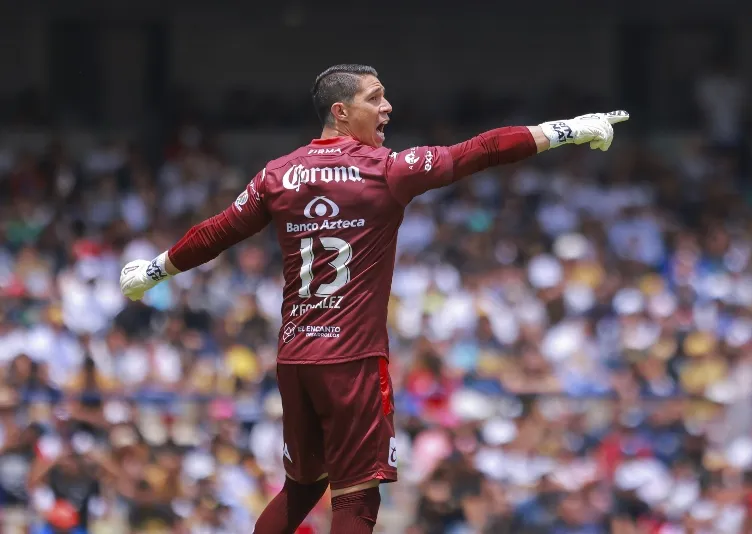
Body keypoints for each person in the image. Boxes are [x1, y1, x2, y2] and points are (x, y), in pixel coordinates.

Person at [119, 64, 629, 533]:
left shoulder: (277, 175)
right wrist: (570, 129)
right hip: (352, 360)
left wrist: (154, 269)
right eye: (375, 98)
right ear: (341, 112)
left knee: (302, 487)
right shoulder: (386, 169)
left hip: (296, 356)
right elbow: (482, 150)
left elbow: (216, 231)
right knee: (358, 497)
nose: (387, 108)